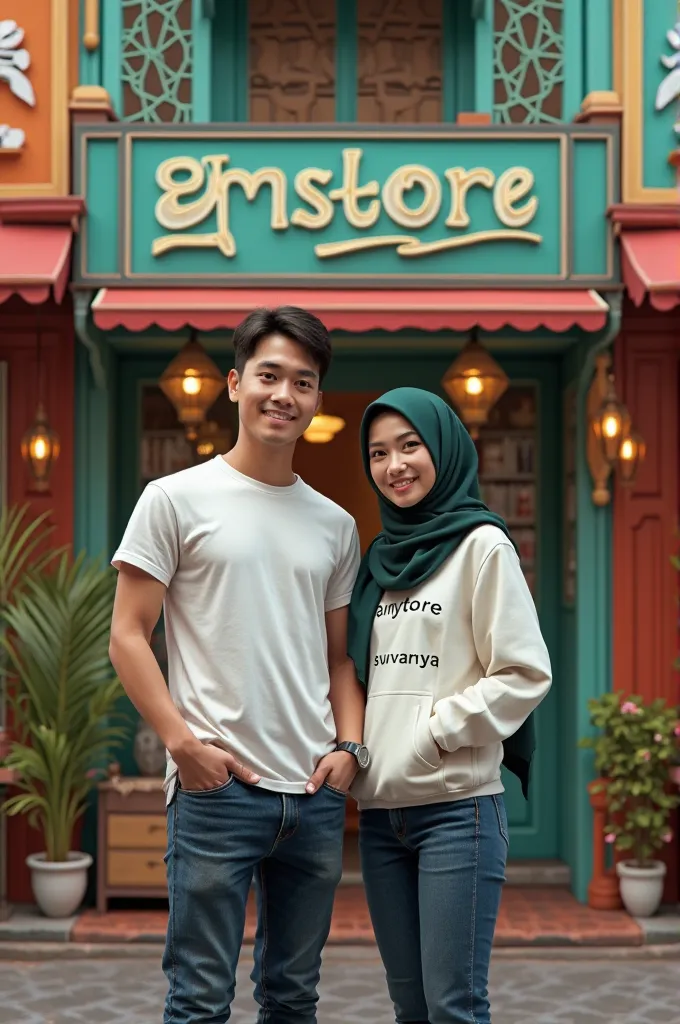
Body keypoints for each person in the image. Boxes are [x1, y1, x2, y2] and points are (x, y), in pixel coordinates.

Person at [109, 306, 368, 1024]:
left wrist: (349, 749)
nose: (285, 394)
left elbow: (338, 657)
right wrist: (182, 746)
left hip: (313, 799)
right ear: (234, 384)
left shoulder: (335, 524)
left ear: (316, 401)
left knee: (293, 999)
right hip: (217, 792)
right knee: (198, 1001)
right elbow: (127, 635)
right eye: (270, 375)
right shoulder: (174, 500)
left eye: (304, 382)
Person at [347, 387, 552, 1024]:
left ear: (445, 449)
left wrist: (435, 733)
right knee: (410, 1006)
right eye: (378, 453)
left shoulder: (482, 547)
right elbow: (357, 674)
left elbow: (523, 671)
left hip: (456, 814)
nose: (394, 466)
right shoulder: (376, 563)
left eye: (410, 446)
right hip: (382, 817)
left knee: (453, 1006)